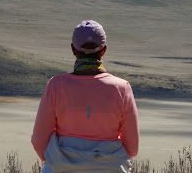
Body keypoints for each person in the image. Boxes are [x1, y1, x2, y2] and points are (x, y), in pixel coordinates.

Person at [31, 20, 139, 173]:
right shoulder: (122, 88)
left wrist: (61, 161)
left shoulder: (56, 85)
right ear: (104, 50)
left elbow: (39, 141)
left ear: (73, 50)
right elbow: (132, 147)